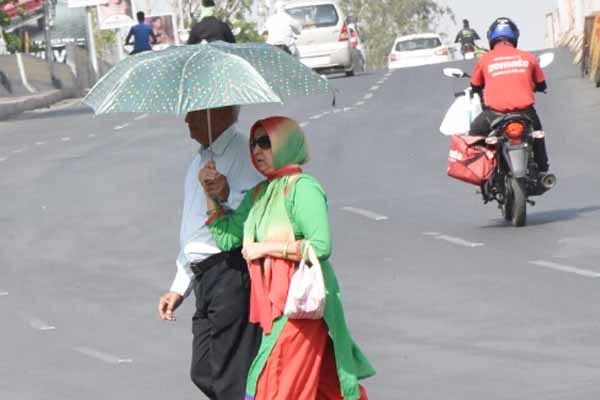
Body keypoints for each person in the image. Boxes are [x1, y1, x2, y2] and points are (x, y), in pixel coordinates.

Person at [201, 117, 375, 399]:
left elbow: (320, 245)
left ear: (287, 144)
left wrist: (266, 248)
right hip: (274, 307)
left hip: (300, 304)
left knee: (275, 381)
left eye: (265, 142)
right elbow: (228, 237)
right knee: (326, 388)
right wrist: (210, 194)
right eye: (254, 144)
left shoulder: (303, 188)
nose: (257, 151)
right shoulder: (260, 194)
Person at [157, 106, 263, 400]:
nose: (186, 119)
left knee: (230, 375)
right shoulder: (199, 161)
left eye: (193, 112)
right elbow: (193, 228)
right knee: (203, 369)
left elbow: (261, 207)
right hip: (204, 278)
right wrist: (180, 286)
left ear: (216, 113)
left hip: (230, 270)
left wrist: (227, 195)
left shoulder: (244, 153)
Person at [469, 17, 550, 173]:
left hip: (494, 114)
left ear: (491, 37)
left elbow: (475, 85)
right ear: (515, 36)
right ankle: (542, 168)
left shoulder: (485, 59)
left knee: (474, 132)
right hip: (525, 113)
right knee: (538, 134)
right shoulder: (528, 57)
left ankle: (484, 171)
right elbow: (541, 83)